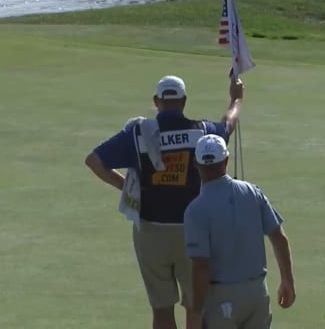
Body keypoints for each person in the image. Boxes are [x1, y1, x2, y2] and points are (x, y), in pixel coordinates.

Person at [85, 75, 244, 329]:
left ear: (157, 101)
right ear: (183, 101)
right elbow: (228, 124)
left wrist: (127, 189)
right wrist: (236, 98)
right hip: (192, 232)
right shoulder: (200, 131)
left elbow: (94, 161)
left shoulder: (137, 133)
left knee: (161, 310)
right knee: (195, 307)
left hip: (150, 231)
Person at [184, 134, 295, 329]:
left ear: (196, 165)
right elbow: (279, 238)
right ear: (226, 161)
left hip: (220, 299)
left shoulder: (196, 210)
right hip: (256, 293)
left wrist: (195, 311)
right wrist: (287, 281)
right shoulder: (253, 192)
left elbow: (201, 266)